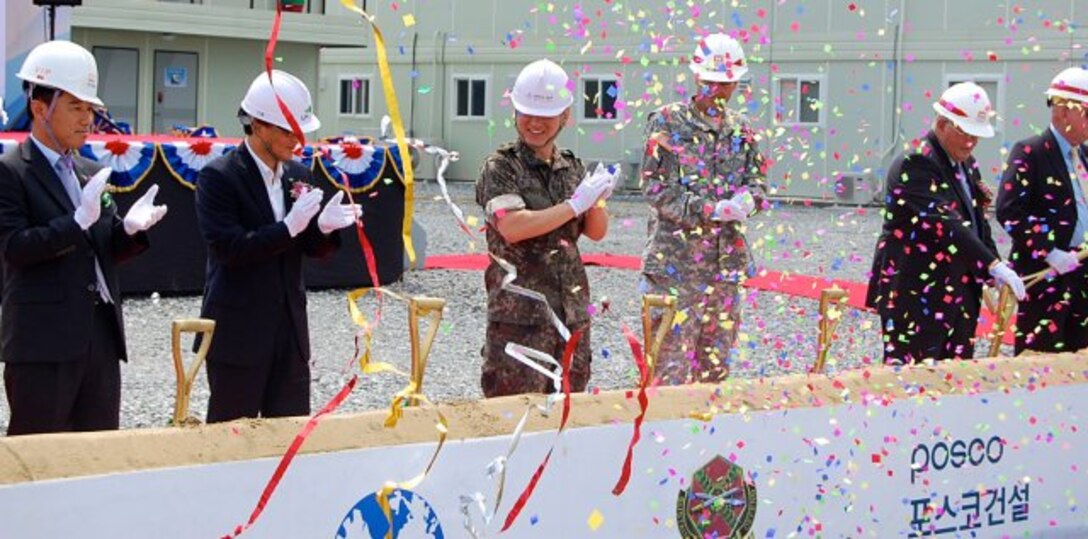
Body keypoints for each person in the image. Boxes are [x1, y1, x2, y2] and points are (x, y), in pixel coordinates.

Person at [0, 40, 167, 435]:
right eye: (76, 107)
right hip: (43, 341)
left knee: (98, 454)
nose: (86, 119)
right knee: (39, 457)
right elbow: (14, 249)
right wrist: (75, 224)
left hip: (99, 335)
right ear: (40, 108)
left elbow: (102, 245)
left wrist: (128, 231)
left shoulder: (89, 169)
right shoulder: (11, 172)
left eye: (90, 109)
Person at [195, 70, 361, 422]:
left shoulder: (297, 174)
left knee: (289, 438)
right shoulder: (220, 177)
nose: (296, 140)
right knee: (233, 438)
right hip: (239, 333)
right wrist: (287, 228)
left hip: (290, 334)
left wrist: (325, 229)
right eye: (288, 131)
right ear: (257, 125)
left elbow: (309, 248)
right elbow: (230, 249)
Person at [475, 59, 616, 397]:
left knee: (568, 415)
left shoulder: (571, 167)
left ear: (565, 116)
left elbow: (596, 232)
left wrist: (597, 196)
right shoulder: (501, 167)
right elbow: (512, 227)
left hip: (571, 313)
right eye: (527, 114)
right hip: (520, 318)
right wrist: (573, 206)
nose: (534, 123)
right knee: (513, 416)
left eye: (545, 115)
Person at [638, 33, 768, 385]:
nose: (718, 91)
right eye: (711, 81)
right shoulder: (667, 122)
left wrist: (747, 202)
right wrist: (707, 209)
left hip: (725, 270)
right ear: (696, 77)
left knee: (714, 373)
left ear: (737, 83)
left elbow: (759, 186)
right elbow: (653, 186)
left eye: (725, 84)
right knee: (669, 372)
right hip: (674, 269)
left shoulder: (742, 130)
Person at [866, 82, 1026, 364]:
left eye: (976, 137)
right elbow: (945, 222)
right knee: (915, 378)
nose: (970, 143)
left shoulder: (967, 163)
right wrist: (991, 264)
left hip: (960, 290)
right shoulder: (915, 163)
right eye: (965, 134)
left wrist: (994, 268)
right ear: (941, 124)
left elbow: (977, 222)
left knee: (955, 375)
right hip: (916, 293)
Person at [996, 67, 1088, 354]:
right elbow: (1010, 210)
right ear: (1062, 112)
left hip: (1082, 270)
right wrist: (1049, 251)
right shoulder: (1030, 152)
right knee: (1040, 355)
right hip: (1045, 271)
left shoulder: (1084, 154)